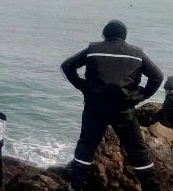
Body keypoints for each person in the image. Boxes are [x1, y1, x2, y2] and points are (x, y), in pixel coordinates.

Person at [61, 20, 163, 191]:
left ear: (105, 34)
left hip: (95, 107)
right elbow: (157, 77)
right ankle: (151, 187)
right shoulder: (137, 53)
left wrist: (82, 86)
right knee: (137, 150)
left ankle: (76, 186)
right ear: (124, 37)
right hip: (123, 109)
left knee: (86, 146)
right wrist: (139, 96)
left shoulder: (93, 50)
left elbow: (67, 65)